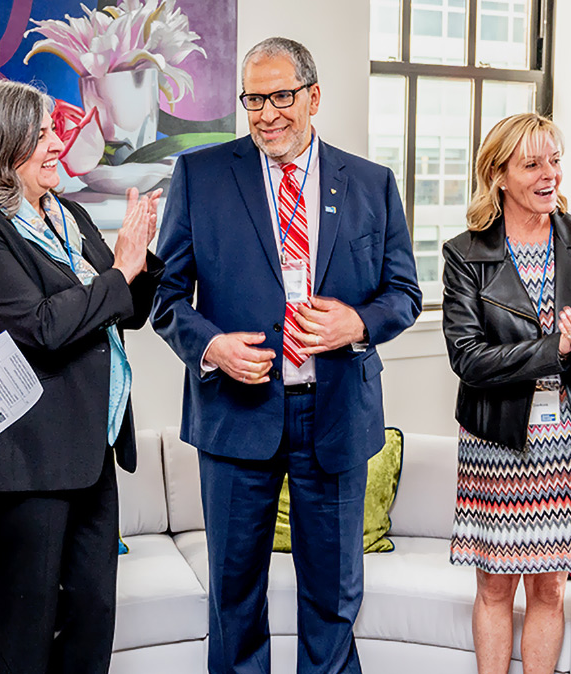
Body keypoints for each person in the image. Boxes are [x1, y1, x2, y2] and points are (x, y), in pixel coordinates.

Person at [151, 37, 421, 674]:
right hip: (236, 413)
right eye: (253, 100)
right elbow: (165, 296)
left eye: (281, 97)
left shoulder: (373, 184)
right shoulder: (201, 176)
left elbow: (405, 293)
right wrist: (211, 346)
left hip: (335, 414)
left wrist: (358, 321)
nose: (266, 114)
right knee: (234, 595)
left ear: (314, 97)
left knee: (333, 597)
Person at [0, 80, 162, 674]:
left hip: (92, 450)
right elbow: (41, 326)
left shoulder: (68, 213)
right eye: (40, 136)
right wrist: (121, 270)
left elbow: (127, 311)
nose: (58, 144)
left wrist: (139, 257)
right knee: (25, 636)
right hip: (28, 463)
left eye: (53, 131)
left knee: (92, 621)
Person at [441, 112, 571, 674]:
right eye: (531, 164)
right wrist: (560, 348)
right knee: (495, 589)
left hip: (570, 443)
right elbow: (468, 359)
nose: (549, 174)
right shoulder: (464, 254)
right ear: (498, 175)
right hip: (497, 442)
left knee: (550, 590)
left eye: (555, 160)